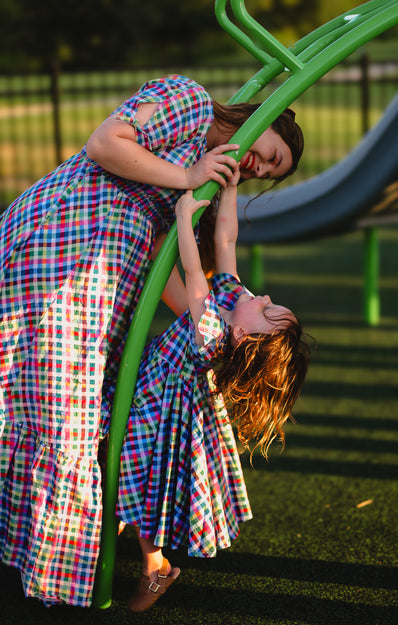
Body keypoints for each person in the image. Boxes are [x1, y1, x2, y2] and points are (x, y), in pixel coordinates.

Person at [0, 73, 303, 607]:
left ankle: (63, 557)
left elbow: (194, 274)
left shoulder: (205, 182)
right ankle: (72, 556)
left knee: (61, 412)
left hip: (98, 283)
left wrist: (219, 327)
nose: (260, 168)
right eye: (271, 155)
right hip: (63, 245)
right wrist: (190, 180)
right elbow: (103, 144)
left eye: (270, 173)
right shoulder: (187, 101)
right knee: (37, 398)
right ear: (267, 120)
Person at [105, 167, 310, 613]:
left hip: (160, 411)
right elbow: (227, 243)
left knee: (135, 480)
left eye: (268, 309)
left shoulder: (215, 330)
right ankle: (117, 536)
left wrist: (183, 218)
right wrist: (232, 189)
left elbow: (195, 272)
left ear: (244, 338)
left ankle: (153, 566)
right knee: (122, 478)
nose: (265, 296)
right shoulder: (235, 302)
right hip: (151, 391)